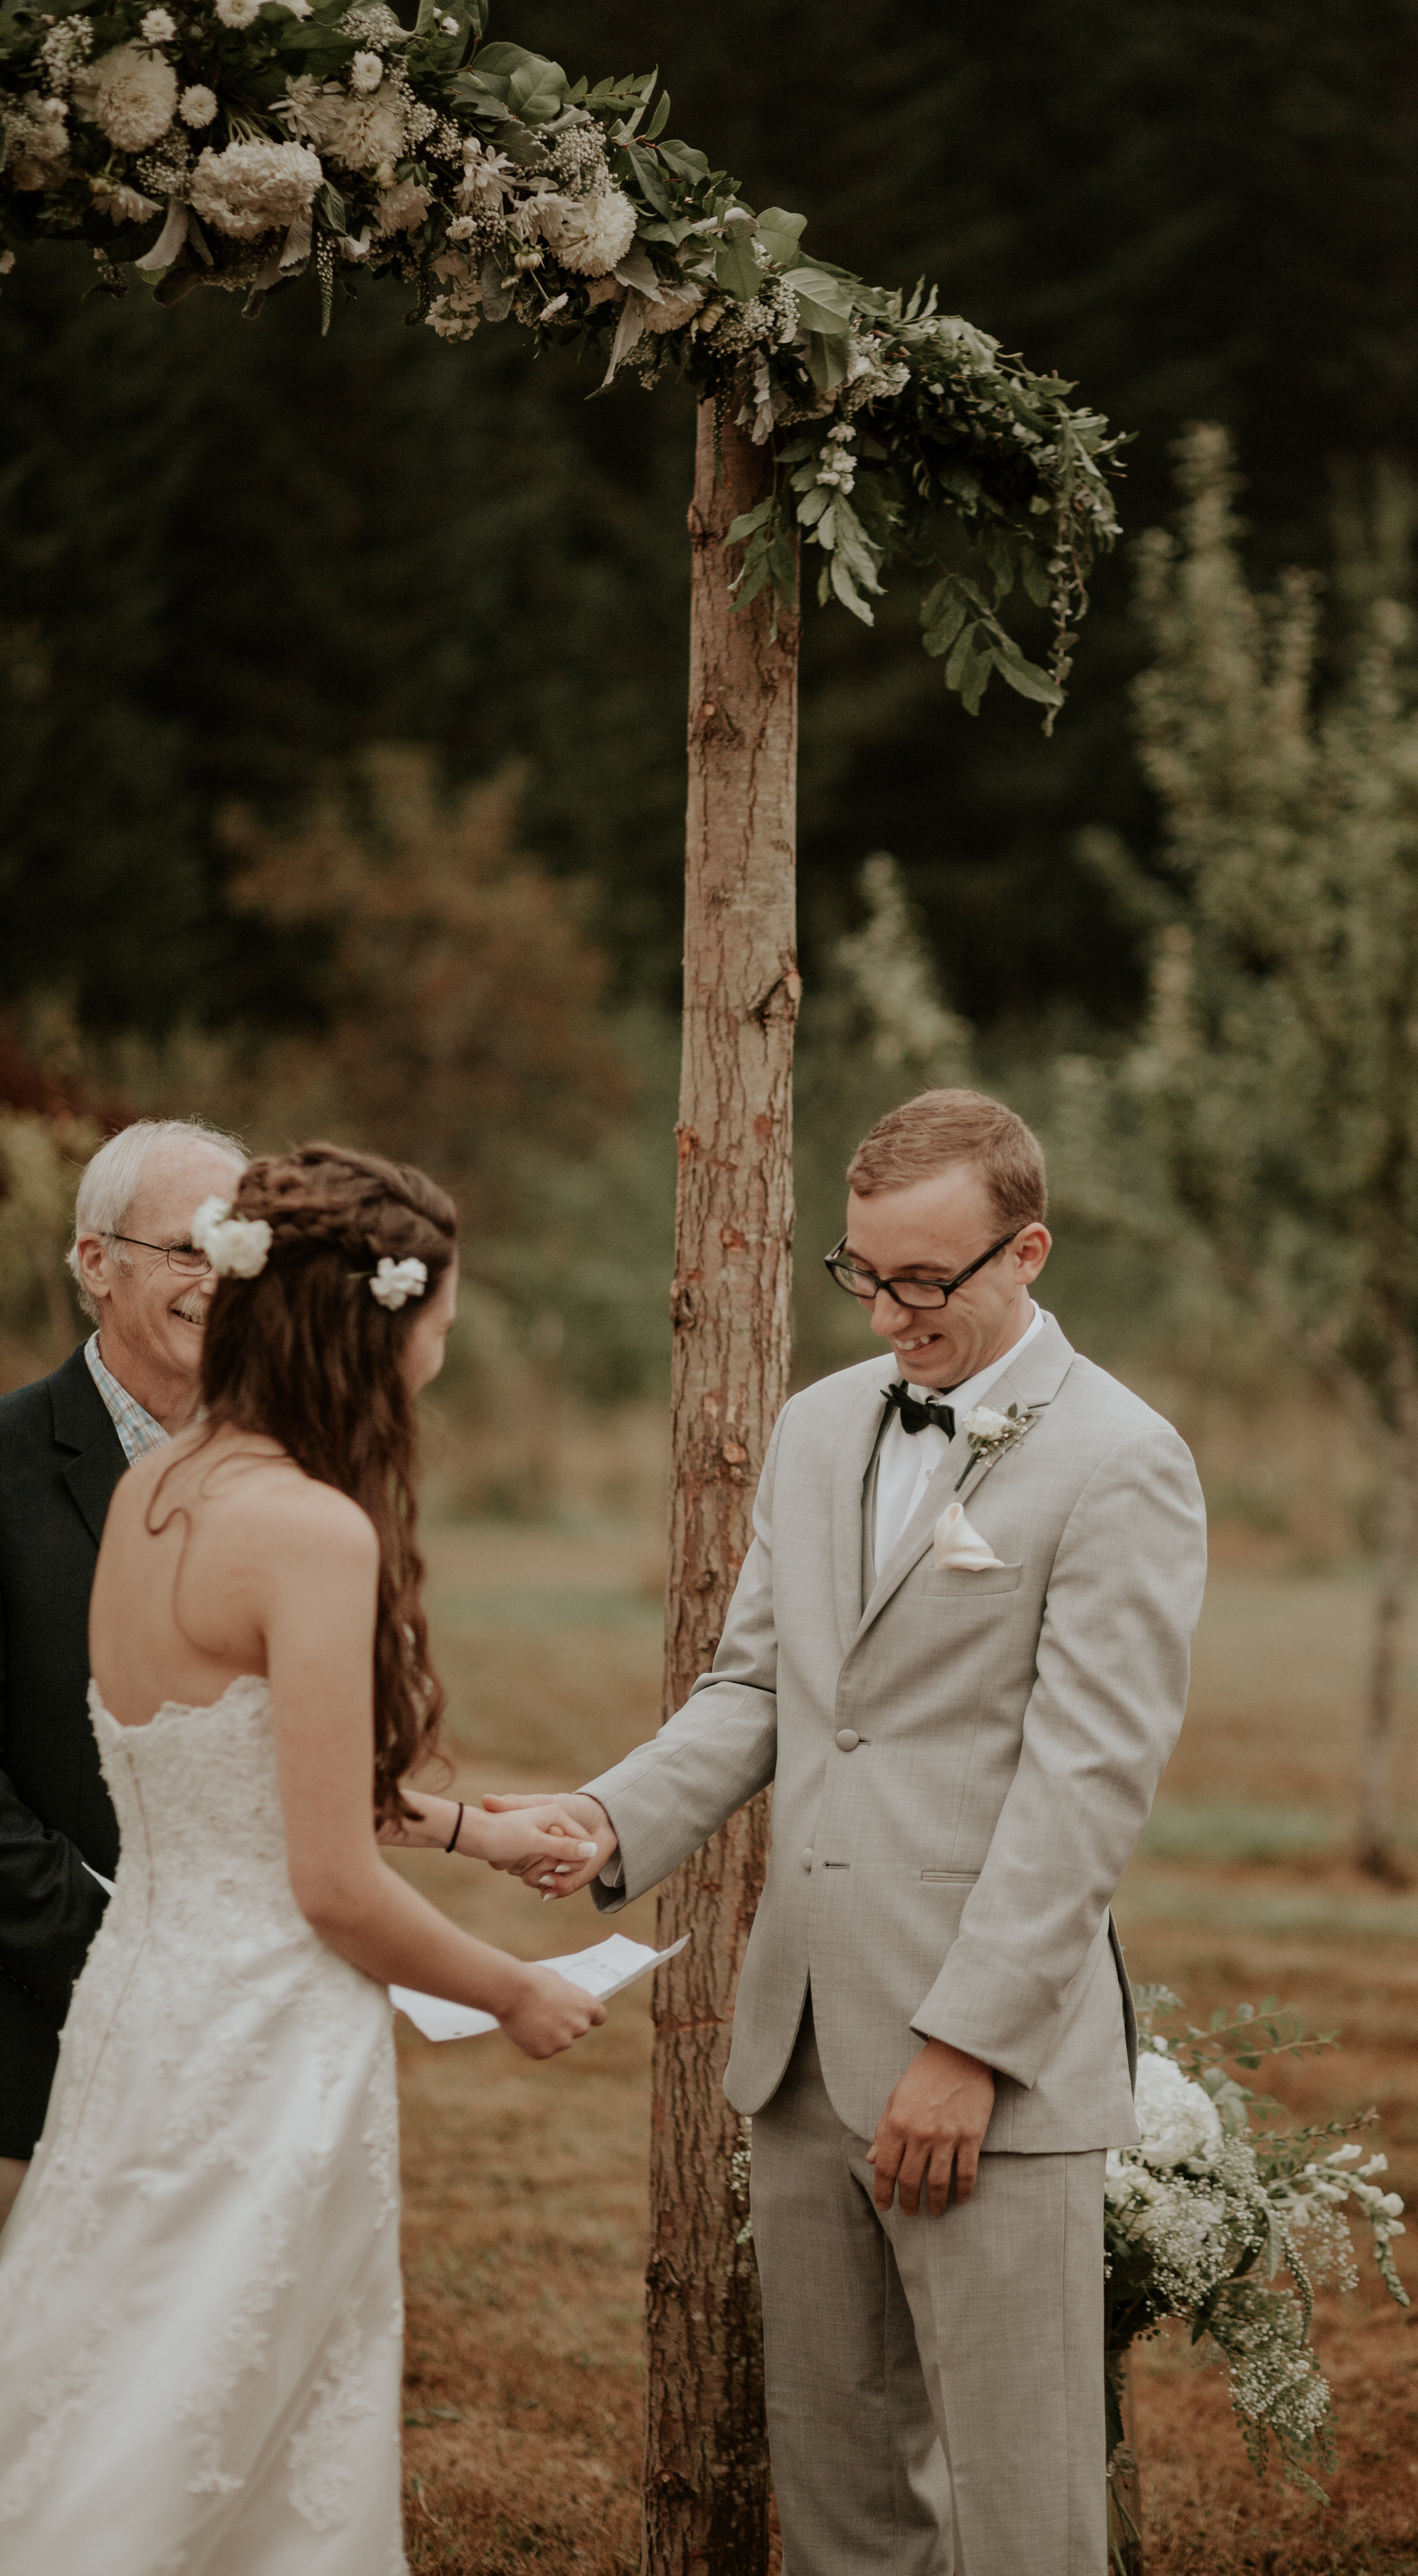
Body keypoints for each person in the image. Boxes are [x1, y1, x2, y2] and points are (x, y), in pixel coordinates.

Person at [501, 1088, 1209, 2576]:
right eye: (862, 1274)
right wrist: (611, 1815)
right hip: (803, 2046)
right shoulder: (821, 1427)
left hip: (983, 2069)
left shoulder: (1120, 1459)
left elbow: (1085, 1787)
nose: (887, 1316)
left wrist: (967, 2046)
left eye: (922, 1283)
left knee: (1022, 2513)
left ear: (1027, 1252)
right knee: (839, 2509)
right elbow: (759, 1689)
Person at [0, 1142, 604, 2574]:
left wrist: (473, 1826)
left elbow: (239, 1775)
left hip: (141, 2016)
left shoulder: (162, 1499)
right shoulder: (310, 1530)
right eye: (441, 1325)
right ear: (376, 1328)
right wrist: (514, 1992)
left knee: (111, 2377)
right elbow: (328, 1882)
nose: (444, 1354)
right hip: (262, 2034)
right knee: (224, 2415)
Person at [0, 1115, 249, 2232]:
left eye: (242, 1249)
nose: (221, 1278)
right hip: (27, 2054)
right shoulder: (5, 1467)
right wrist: (124, 1957)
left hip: (247, 2061)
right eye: (189, 1248)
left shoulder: (292, 1477)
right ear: (96, 1261)